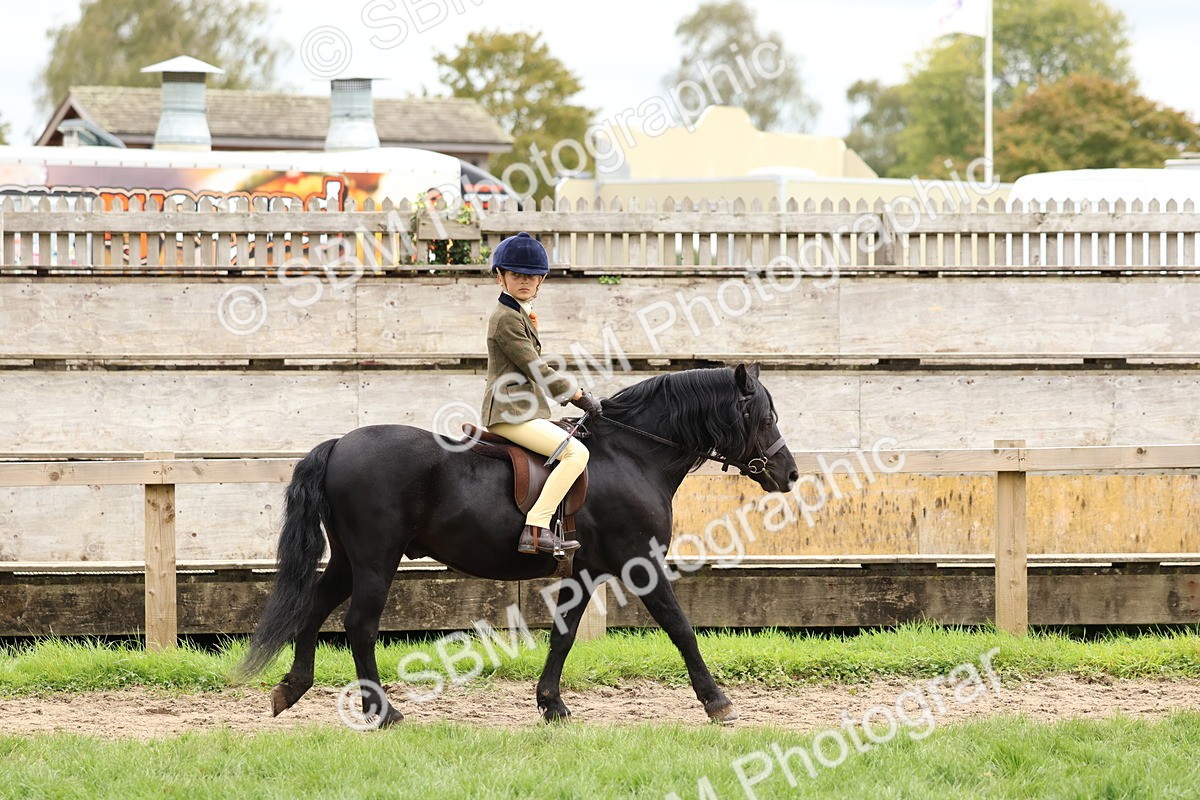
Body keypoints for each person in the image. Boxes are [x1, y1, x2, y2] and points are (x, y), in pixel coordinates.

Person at [480, 232, 602, 556]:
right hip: (509, 413)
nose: (524, 280)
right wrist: (576, 395)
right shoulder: (505, 318)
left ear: (541, 280)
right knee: (577, 454)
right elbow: (536, 368)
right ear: (500, 277)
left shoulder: (520, 313)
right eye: (516, 274)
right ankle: (536, 526)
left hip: (525, 409)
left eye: (531, 275)